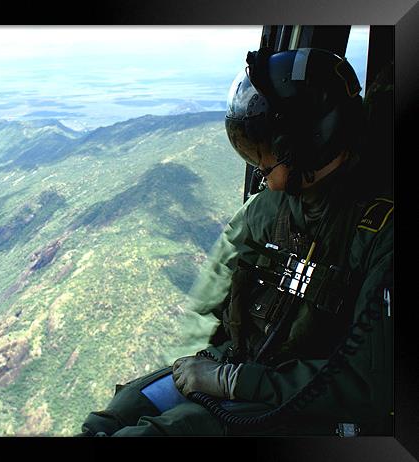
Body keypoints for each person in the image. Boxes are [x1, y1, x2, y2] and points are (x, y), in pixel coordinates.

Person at [78, 47, 393, 436]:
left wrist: (231, 382)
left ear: (307, 144)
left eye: (265, 150)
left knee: (166, 432)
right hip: (239, 365)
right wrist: (209, 367)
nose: (257, 165)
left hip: (297, 402)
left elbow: (367, 388)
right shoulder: (265, 212)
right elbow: (209, 302)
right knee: (118, 415)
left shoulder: (379, 234)